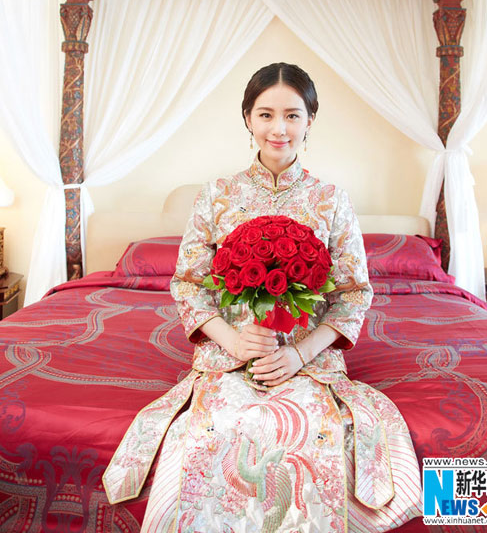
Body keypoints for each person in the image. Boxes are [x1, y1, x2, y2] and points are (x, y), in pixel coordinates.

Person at [104, 62, 422, 533]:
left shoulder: (332, 200)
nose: (279, 128)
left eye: (293, 115)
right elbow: (189, 283)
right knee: (216, 432)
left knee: (315, 434)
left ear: (310, 120)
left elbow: (354, 294)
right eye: (266, 114)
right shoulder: (216, 196)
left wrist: (299, 353)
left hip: (307, 356)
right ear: (247, 119)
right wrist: (232, 341)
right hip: (230, 352)